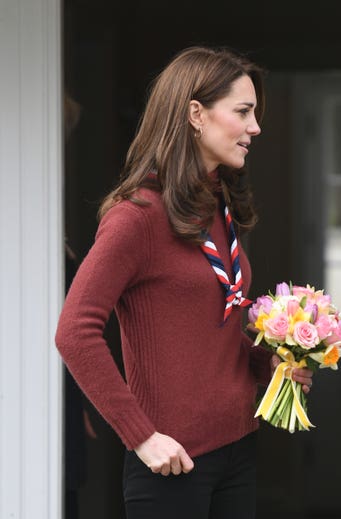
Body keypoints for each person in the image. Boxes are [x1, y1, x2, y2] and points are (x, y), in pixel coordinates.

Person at [55, 46, 313, 519]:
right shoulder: (135, 217)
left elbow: (205, 332)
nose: (255, 127)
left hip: (238, 447)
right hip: (173, 465)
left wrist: (270, 364)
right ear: (196, 114)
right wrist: (141, 436)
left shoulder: (219, 206)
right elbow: (74, 332)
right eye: (243, 112)